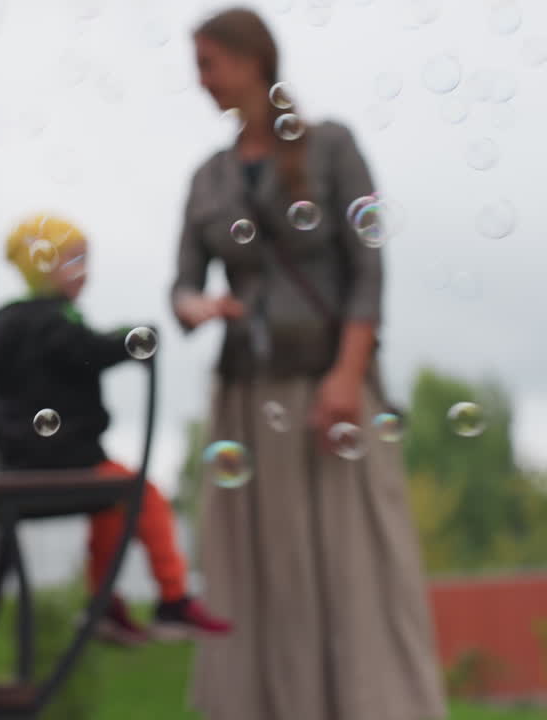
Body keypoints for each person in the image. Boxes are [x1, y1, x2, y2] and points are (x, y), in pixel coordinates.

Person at [172, 8, 446, 720]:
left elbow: (368, 268)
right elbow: (183, 287)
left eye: (208, 63)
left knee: (353, 566)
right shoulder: (207, 177)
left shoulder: (330, 147)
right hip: (245, 398)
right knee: (262, 575)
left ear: (251, 61)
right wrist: (196, 307)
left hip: (330, 391)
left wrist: (348, 375)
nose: (199, 80)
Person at [0, 214, 232, 645]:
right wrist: (136, 338)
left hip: (20, 462)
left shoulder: (3, 324)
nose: (84, 272)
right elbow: (90, 350)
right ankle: (172, 598)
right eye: (73, 260)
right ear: (42, 265)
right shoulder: (53, 322)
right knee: (142, 495)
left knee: (112, 504)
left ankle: (104, 604)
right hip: (67, 459)